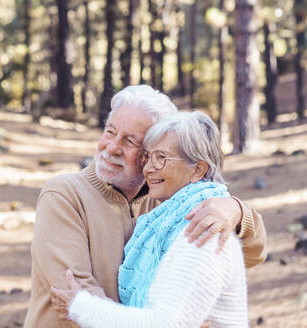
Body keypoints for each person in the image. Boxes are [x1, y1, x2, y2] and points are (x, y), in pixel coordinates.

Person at [23, 85, 266, 328]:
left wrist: (236, 211)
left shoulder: (169, 204)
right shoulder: (64, 194)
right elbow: (73, 297)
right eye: (110, 132)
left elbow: (254, 253)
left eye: (130, 141)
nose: (112, 147)